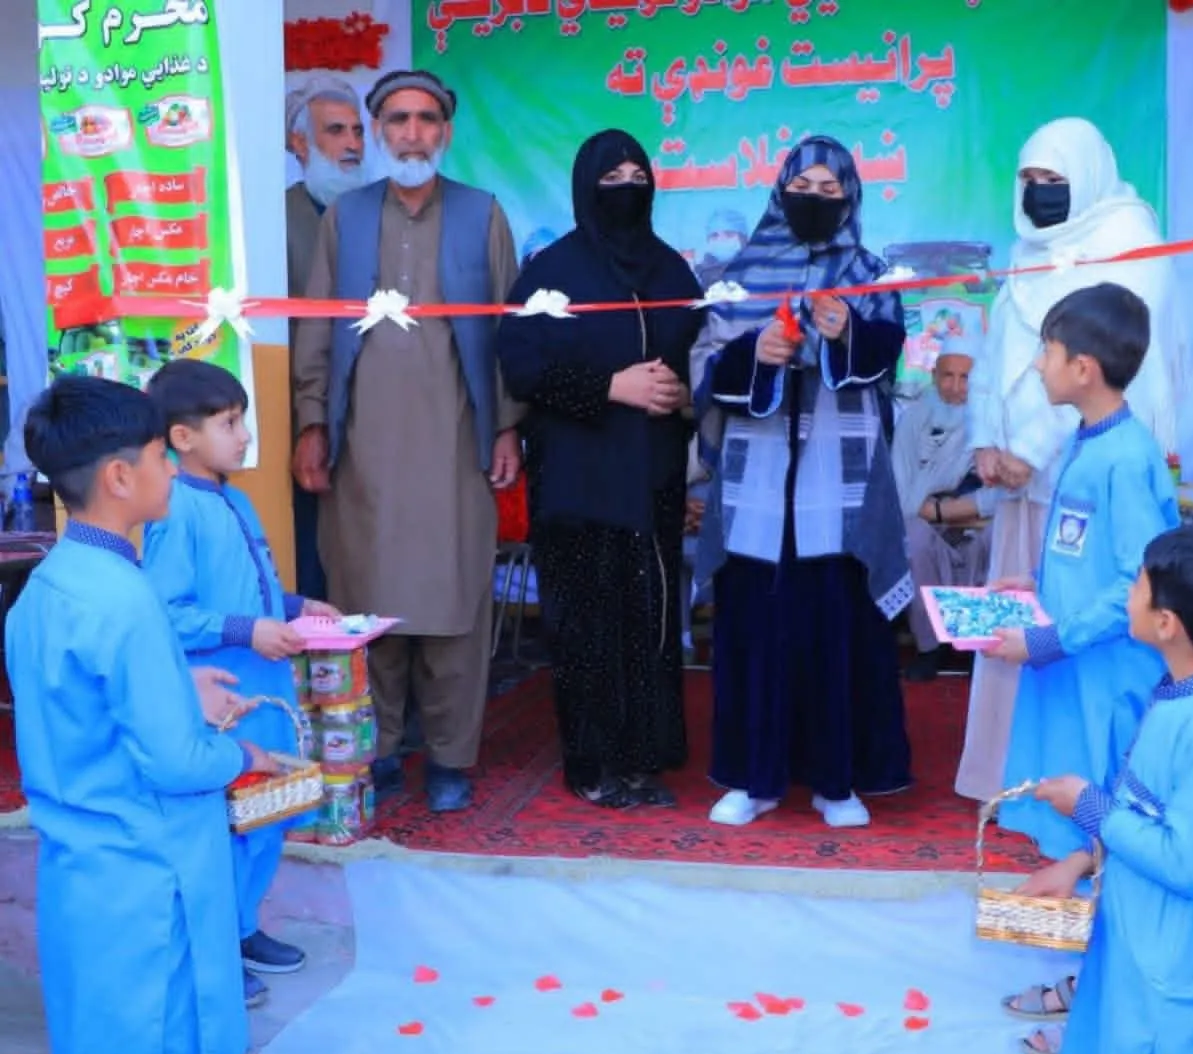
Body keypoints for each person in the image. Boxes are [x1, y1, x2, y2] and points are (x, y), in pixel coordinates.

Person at [6, 376, 280, 1054]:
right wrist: (241, 754)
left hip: (82, 871)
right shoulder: (126, 600)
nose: (173, 473)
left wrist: (180, 687)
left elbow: (79, 705)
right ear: (120, 477)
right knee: (164, 1046)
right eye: (162, 456)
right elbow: (177, 763)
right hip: (151, 871)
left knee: (98, 1040)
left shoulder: (48, 585)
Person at [292, 68, 524, 810]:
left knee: (454, 606)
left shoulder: (482, 213)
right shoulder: (347, 217)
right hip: (364, 447)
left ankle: (452, 759)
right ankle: (382, 749)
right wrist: (312, 422)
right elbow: (317, 328)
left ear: (445, 132)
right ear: (379, 131)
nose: (412, 133)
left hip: (455, 442)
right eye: (397, 120)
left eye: (426, 119)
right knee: (372, 603)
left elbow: (507, 332)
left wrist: (507, 426)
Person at [959, 116, 1184, 803]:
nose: (1039, 191)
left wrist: (1032, 449)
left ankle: (1086, 805)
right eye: (1028, 179)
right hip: (1028, 486)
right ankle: (1017, 781)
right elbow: (1002, 356)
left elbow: (1100, 371)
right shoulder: (1026, 247)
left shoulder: (1128, 240)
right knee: (1034, 608)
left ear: (1085, 176)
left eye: (1053, 178)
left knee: (1083, 660)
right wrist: (988, 441)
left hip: (1068, 469)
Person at [691, 135, 913, 829]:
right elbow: (705, 368)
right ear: (778, 191)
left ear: (850, 198)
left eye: (828, 191)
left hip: (838, 489)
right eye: (801, 189)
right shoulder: (737, 275)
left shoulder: (870, 273)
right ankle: (752, 779)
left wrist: (846, 332)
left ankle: (835, 782)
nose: (813, 201)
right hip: (755, 486)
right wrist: (756, 352)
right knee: (757, 629)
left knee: (833, 628)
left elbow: (888, 357)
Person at [1013, 523, 1193, 1054]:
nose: (1126, 593)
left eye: (1136, 584)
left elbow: (1191, 864)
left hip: (1175, 981)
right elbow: (1147, 814)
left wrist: (1089, 806)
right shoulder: (1181, 694)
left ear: (1166, 623)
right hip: (1141, 948)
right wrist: (1080, 860)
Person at [497, 130, 704, 808]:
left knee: (646, 618)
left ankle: (644, 757)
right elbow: (522, 366)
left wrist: (681, 393)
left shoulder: (672, 272)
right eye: (611, 178)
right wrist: (610, 387)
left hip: (652, 479)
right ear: (587, 187)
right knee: (587, 622)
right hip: (580, 481)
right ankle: (593, 765)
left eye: (636, 176)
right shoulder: (551, 274)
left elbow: (703, 354)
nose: (626, 188)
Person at [142, 360, 339, 1009]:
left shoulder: (237, 498)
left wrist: (296, 606)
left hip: (267, 692)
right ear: (182, 437)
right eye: (229, 423)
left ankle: (243, 926)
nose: (246, 435)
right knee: (227, 824)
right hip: (225, 698)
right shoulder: (175, 509)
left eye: (242, 420)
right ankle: (215, 944)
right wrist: (247, 630)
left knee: (265, 817)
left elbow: (250, 586)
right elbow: (167, 613)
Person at [983, 283, 1179, 864]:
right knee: (1063, 790)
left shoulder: (1127, 457)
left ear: (1084, 369)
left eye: (1047, 351)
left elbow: (1137, 583)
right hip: (1073, 655)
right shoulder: (1088, 440)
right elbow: (1087, 546)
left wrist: (1046, 640)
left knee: (1101, 809)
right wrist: (1037, 582)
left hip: (1104, 665)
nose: (1037, 365)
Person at [285, 74, 368, 601]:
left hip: (377, 421)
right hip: (305, 421)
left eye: (358, 131)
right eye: (336, 131)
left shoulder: (381, 216)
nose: (353, 144)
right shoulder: (277, 221)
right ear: (300, 143)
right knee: (313, 563)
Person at [891, 335, 997, 681]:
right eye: (947, 376)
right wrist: (932, 513)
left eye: (966, 378)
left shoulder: (993, 424)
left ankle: (979, 643)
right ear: (934, 375)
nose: (955, 387)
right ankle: (930, 645)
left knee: (1001, 535)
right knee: (912, 537)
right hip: (928, 528)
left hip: (976, 526)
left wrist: (944, 510)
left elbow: (1006, 495)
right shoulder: (913, 421)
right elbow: (902, 497)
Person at [694, 207, 750, 287]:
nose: (721, 240)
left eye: (729, 234)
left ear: (742, 238)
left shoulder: (756, 272)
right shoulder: (699, 276)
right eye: (714, 235)